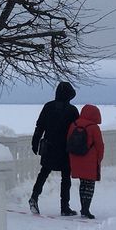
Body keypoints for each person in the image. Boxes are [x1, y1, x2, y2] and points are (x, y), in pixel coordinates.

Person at [30, 81, 78, 216]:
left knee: (44, 173)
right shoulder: (72, 110)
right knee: (65, 177)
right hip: (65, 149)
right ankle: (64, 207)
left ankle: (34, 197)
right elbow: (77, 131)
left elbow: (40, 127)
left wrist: (35, 142)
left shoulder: (48, 107)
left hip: (50, 146)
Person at [67, 103, 104, 220]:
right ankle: (86, 209)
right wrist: (99, 159)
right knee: (89, 185)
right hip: (90, 159)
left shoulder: (74, 124)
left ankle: (83, 206)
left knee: (83, 184)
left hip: (76, 158)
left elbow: (69, 141)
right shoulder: (94, 127)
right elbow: (99, 145)